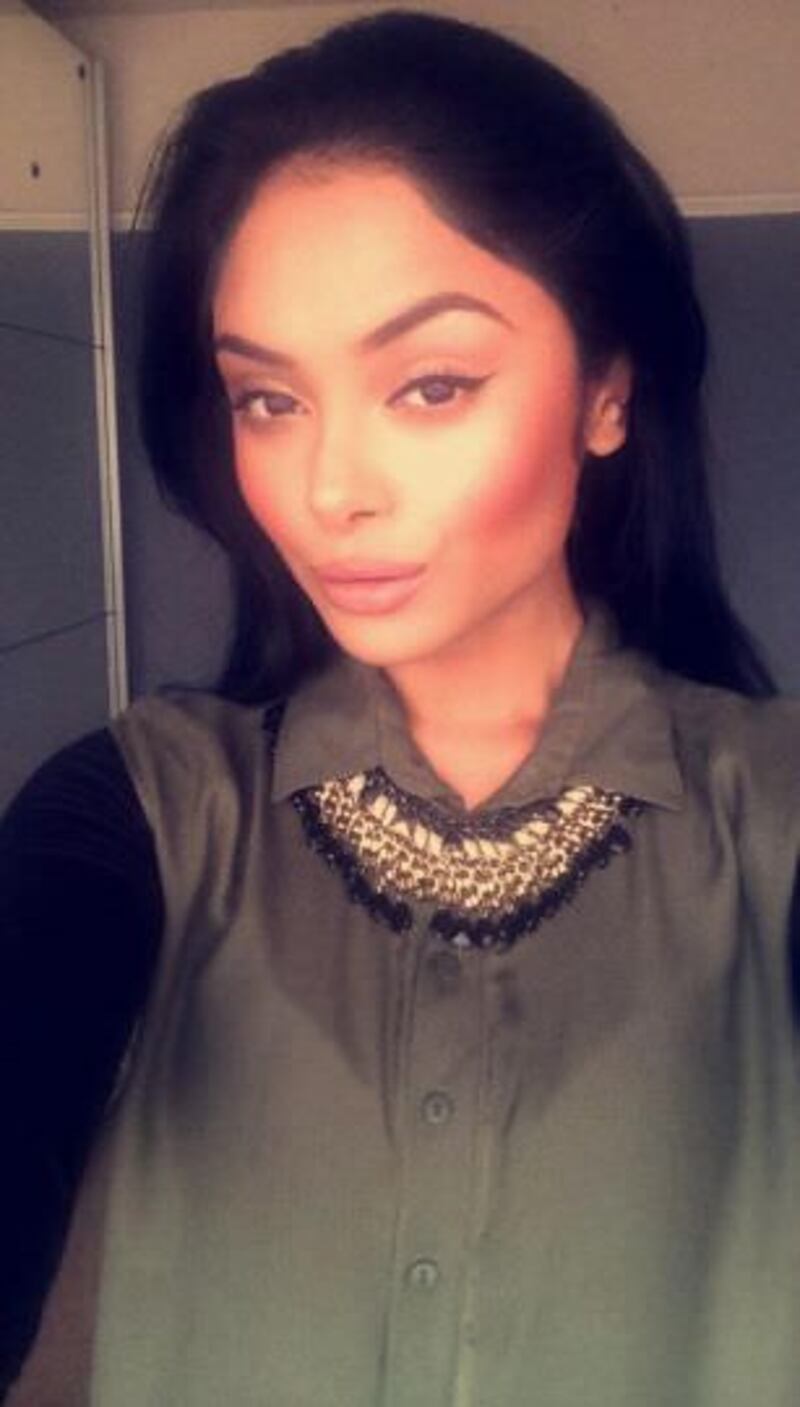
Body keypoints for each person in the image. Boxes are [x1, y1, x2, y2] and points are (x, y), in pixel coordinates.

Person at [1, 8, 798, 1405]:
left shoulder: (772, 817)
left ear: (607, 393)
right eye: (268, 400)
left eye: (431, 386)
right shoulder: (149, 811)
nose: (328, 492)